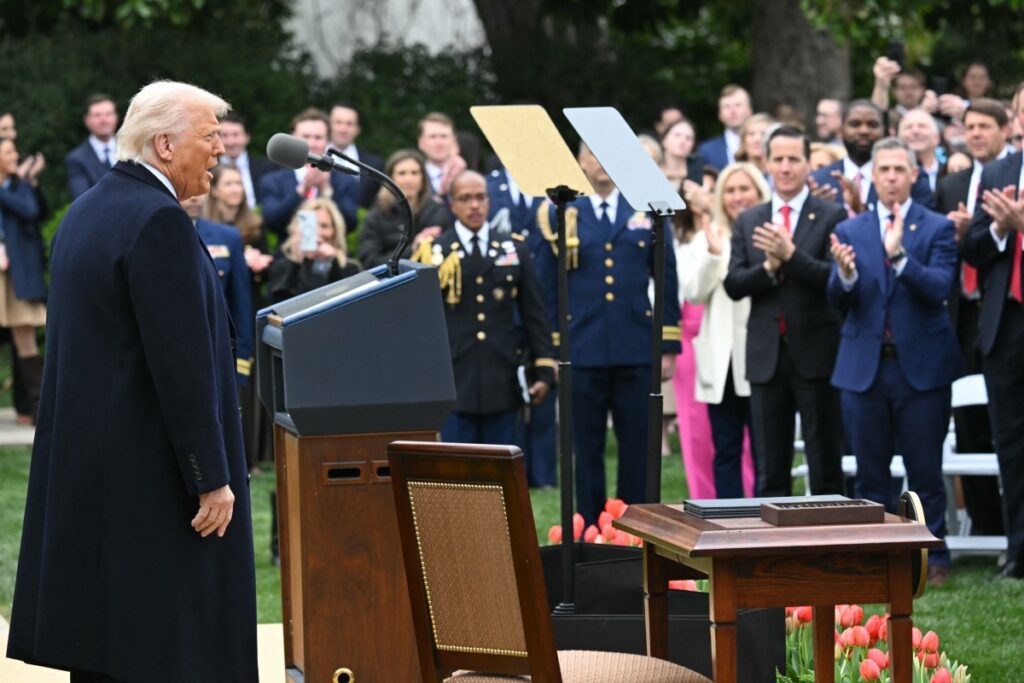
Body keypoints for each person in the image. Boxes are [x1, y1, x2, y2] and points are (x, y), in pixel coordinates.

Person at [7, 80, 258, 682]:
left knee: (107, 648)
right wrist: (212, 477)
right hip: (154, 483)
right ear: (165, 145)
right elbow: (181, 366)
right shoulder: (158, 222)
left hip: (96, 477)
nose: (220, 151)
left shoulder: (86, 211)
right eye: (209, 137)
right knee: (168, 648)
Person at [828, 137, 960, 586]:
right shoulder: (851, 230)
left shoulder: (938, 227)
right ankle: (875, 557)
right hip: (865, 367)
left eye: (898, 170)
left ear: (913, 175)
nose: (889, 177)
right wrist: (845, 275)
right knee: (870, 471)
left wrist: (900, 256)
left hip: (920, 368)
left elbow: (940, 288)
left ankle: (931, 558)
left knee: (924, 468)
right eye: (882, 170)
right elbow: (837, 298)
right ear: (873, 177)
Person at [532, 144, 681, 525]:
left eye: (606, 153)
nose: (599, 161)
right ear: (580, 161)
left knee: (637, 444)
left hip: (634, 344)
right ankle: (590, 527)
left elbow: (665, 277)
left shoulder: (646, 208)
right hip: (582, 346)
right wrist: (551, 350)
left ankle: (638, 528)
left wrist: (666, 345)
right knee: (586, 445)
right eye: (591, 154)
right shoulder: (563, 212)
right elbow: (548, 289)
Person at [724, 126, 846, 497]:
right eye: (778, 159)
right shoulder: (750, 219)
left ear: (809, 163)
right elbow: (734, 284)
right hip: (767, 356)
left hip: (816, 353)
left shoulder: (831, 215)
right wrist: (769, 268)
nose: (786, 167)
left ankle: (829, 547)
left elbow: (835, 280)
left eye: (794, 159)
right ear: (765, 162)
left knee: (824, 461)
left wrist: (792, 257)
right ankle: (771, 551)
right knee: (771, 467)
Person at [415, 170, 554, 445]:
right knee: (458, 469)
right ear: (452, 204)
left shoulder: (513, 248)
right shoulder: (435, 251)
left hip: (501, 373)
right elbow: (423, 322)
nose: (474, 205)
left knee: (500, 468)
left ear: (489, 201)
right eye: (465, 199)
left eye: (480, 197)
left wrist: (544, 368)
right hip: (456, 377)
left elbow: (534, 313)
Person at [961, 85, 1024, 580]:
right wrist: (1003, 230)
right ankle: (1019, 551)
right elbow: (975, 248)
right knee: (1011, 439)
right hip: (1005, 326)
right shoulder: (1000, 172)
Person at [678, 163, 768, 499]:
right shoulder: (708, 235)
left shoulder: (771, 230)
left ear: (759, 192)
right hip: (723, 359)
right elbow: (694, 292)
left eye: (744, 189)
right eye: (730, 190)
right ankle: (730, 526)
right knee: (726, 450)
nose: (737, 197)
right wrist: (714, 257)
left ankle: (767, 525)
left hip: (763, 355)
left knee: (765, 452)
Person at [204, 163, 274, 471]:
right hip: (214, 313)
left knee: (242, 389)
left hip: (245, 310)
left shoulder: (254, 226)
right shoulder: (203, 226)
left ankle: (246, 457)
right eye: (229, 184)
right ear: (215, 188)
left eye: (238, 184)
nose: (235, 189)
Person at [810, 100, 934, 214]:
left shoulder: (910, 177)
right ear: (841, 130)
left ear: (885, 132)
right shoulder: (819, 181)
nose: (864, 131)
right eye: (855, 124)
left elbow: (924, 225)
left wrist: (861, 209)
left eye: (872, 125)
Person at [0, 136, 47, 423]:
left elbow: (31, 211)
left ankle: (39, 407)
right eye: (8, 151)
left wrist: (24, 179)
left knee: (25, 337)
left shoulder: (18, 186)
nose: (15, 155)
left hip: (15, 275)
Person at [260, 107, 360, 239]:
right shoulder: (273, 181)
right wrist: (302, 189)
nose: (312, 144)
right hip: (288, 256)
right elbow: (271, 223)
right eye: (305, 137)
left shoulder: (346, 181)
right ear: (293, 138)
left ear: (328, 141)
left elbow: (351, 224)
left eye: (318, 137)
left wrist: (327, 191)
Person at [358, 149, 452, 268]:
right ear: (390, 178)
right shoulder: (377, 215)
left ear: (423, 178)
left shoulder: (437, 211)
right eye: (402, 173)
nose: (409, 179)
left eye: (414, 173)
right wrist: (414, 248)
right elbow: (369, 262)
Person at [268, 197, 360, 301]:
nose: (318, 232)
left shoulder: (348, 267)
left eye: (324, 226)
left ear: (335, 231)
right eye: (312, 226)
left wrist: (332, 263)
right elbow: (279, 305)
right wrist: (295, 264)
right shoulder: (282, 267)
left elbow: (348, 302)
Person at [329, 102, 385, 209]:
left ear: (358, 129)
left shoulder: (375, 164)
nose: (343, 129)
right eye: (338, 122)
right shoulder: (314, 158)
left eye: (349, 124)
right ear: (329, 125)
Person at [65, 94, 118, 199]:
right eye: (97, 115)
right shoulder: (76, 159)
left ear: (116, 117)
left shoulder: (133, 151)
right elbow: (82, 198)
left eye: (108, 114)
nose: (104, 120)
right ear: (87, 120)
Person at [219, 111, 276, 208]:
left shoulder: (267, 168)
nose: (230, 142)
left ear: (247, 137)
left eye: (236, 135)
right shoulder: (207, 169)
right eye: (224, 136)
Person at [698, 85, 752, 171]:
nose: (733, 111)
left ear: (749, 110)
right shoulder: (705, 151)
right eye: (727, 106)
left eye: (738, 105)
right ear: (719, 114)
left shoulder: (762, 146)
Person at [417, 111, 466, 197]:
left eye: (444, 136)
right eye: (432, 136)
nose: (439, 143)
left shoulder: (470, 178)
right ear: (420, 142)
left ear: (454, 140)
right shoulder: (413, 178)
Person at [898, 108, 944, 192]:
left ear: (937, 137)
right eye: (908, 127)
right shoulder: (892, 177)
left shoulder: (950, 171)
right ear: (899, 138)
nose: (915, 131)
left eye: (922, 126)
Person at [660, 118, 705, 186]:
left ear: (693, 145)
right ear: (664, 140)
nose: (683, 141)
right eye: (677, 135)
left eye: (688, 138)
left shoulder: (701, 172)